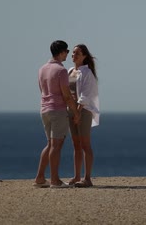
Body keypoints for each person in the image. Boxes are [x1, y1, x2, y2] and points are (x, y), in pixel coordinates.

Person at [34, 40, 80, 188]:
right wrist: (75, 112)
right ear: (61, 52)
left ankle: (40, 178)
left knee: (50, 144)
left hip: (44, 109)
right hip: (58, 110)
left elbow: (42, 90)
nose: (68, 53)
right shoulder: (61, 70)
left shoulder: (42, 69)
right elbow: (67, 95)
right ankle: (55, 180)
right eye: (67, 51)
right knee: (56, 146)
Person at [67, 44, 100, 188]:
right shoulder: (69, 71)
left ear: (84, 56)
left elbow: (85, 95)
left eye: (77, 53)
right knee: (76, 144)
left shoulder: (87, 73)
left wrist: (78, 112)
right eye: (73, 53)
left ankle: (87, 178)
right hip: (70, 111)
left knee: (85, 144)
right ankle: (76, 176)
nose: (74, 55)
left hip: (83, 111)